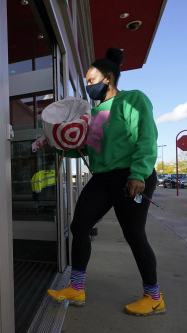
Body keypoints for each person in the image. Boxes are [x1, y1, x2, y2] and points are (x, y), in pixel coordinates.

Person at [45, 47, 166, 316]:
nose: (88, 86)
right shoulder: (98, 113)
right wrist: (56, 142)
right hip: (102, 179)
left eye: (91, 80)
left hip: (131, 176)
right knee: (80, 226)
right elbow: (89, 147)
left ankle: (154, 296)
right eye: (87, 82)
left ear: (108, 78)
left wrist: (138, 174)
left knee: (134, 235)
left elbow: (146, 138)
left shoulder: (133, 99)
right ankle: (76, 288)